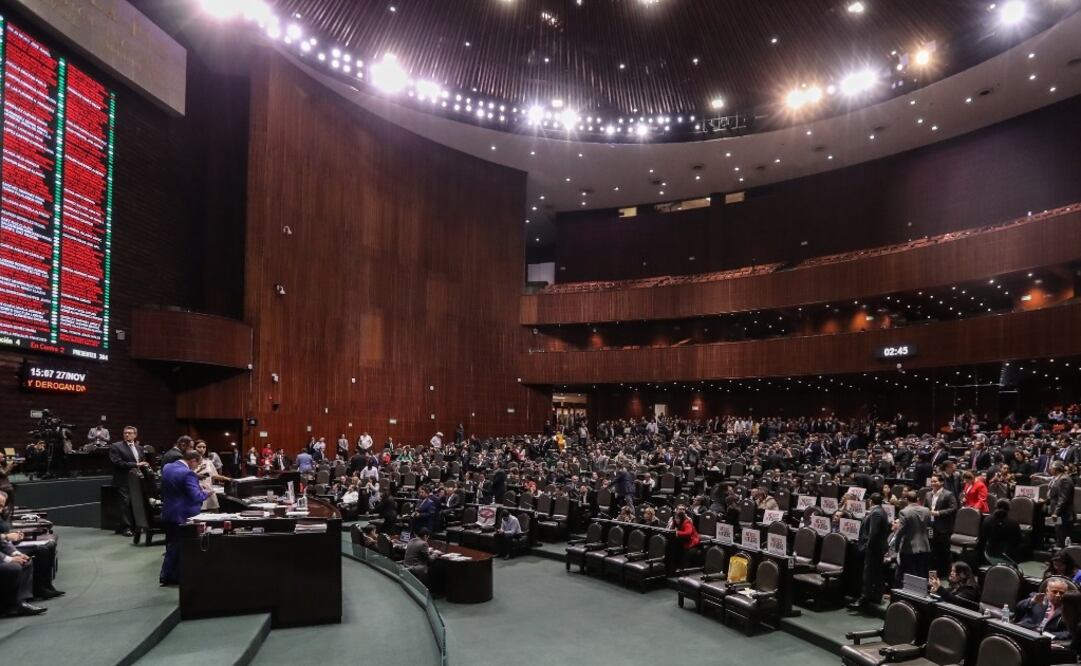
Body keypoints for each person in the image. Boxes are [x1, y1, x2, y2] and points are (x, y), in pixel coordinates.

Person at [0, 489, 62, 603]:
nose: (1, 508)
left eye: (2, 505)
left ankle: (42, 588)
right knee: (17, 565)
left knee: (45, 548)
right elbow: (4, 538)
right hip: (4, 551)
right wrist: (7, 539)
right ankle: (20, 601)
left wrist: (15, 545)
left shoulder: (3, 513)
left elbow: (5, 540)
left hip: (9, 546)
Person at [159, 451, 209, 586]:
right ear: (193, 460)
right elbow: (196, 497)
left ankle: (167, 576)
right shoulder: (188, 473)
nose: (197, 467)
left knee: (172, 546)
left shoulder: (168, 467)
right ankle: (174, 577)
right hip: (183, 515)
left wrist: (196, 484)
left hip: (169, 512)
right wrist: (207, 492)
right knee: (181, 547)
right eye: (197, 464)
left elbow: (177, 485)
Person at [850, 493, 890, 612]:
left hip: (874, 549)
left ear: (871, 501)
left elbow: (873, 533)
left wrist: (867, 547)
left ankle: (864, 599)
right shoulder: (880, 511)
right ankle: (874, 597)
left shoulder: (876, 513)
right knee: (875, 573)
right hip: (877, 548)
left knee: (869, 574)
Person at [108, 426, 150, 537]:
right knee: (125, 504)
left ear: (135, 435)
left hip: (137, 479)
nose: (127, 435)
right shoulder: (116, 446)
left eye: (130, 433)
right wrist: (136, 464)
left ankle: (139, 526)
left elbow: (141, 461)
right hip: (123, 480)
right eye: (125, 433)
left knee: (137, 503)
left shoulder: (140, 448)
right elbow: (118, 463)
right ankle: (126, 528)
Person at [894, 490, 931, 581]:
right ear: (917, 499)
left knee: (909, 575)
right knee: (921, 573)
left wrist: (896, 547)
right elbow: (928, 526)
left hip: (909, 548)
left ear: (907, 500)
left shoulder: (904, 512)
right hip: (925, 545)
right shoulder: (926, 510)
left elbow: (900, 532)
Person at [927, 474, 958, 577]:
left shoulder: (948, 494)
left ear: (941, 482)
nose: (933, 483)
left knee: (944, 552)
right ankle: (933, 574)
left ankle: (945, 574)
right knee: (932, 551)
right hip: (931, 527)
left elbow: (954, 508)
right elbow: (925, 508)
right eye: (932, 481)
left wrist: (939, 513)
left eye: (935, 481)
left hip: (943, 528)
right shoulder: (928, 494)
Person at [980, 499, 1023, 565]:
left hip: (989, 555)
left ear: (996, 507)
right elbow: (1018, 542)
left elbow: (983, 538)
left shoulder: (987, 519)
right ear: (1009, 509)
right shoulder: (1014, 523)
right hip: (1006, 558)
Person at [193, 440, 230, 510]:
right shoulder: (190, 462)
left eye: (204, 447)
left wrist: (228, 479)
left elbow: (214, 475)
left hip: (209, 490)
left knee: (213, 512)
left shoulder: (208, 462)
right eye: (199, 447)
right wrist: (199, 470)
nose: (202, 449)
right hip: (196, 491)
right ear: (194, 448)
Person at [1047, 462, 1075, 547]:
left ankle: (1062, 552)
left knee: (1062, 535)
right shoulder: (1058, 478)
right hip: (1058, 511)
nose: (1050, 469)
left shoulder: (1064, 479)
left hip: (1063, 513)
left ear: (1056, 469)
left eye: (1051, 468)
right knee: (1058, 533)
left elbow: (1063, 498)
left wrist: (1056, 512)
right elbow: (1054, 495)